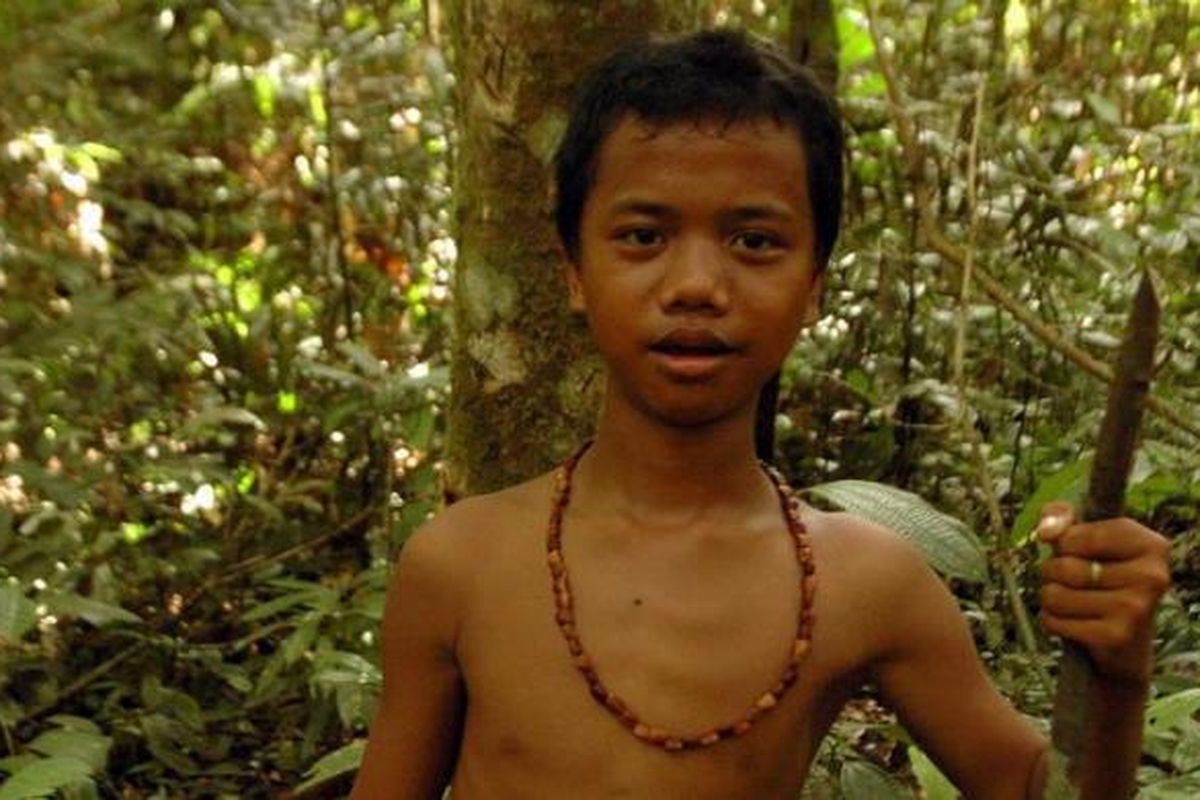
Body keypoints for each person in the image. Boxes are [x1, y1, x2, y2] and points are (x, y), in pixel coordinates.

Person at [351, 30, 1171, 799]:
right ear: (573, 269)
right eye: (643, 235)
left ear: (814, 285)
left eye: (754, 242)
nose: (697, 285)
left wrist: (1116, 675)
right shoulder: (461, 566)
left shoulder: (864, 584)